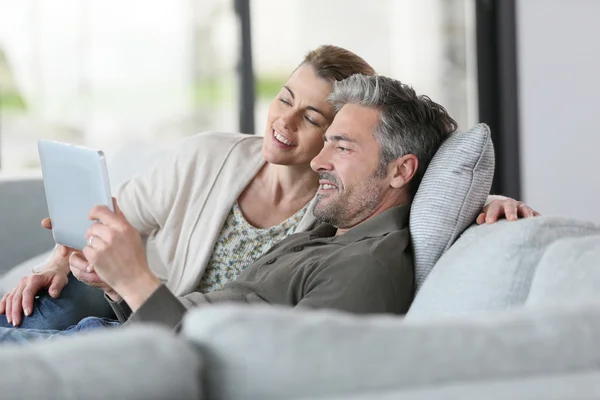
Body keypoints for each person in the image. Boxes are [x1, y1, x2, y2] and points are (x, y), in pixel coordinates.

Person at [0, 46, 536, 331]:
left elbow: (262, 364)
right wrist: (68, 264)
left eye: (322, 127)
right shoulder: (325, 219)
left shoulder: (343, 226)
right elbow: (111, 222)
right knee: (42, 300)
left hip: (149, 332)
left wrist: (484, 202)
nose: (287, 125)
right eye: (283, 98)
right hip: (133, 318)